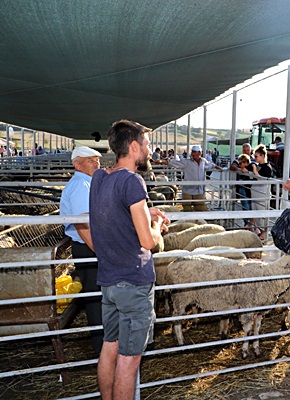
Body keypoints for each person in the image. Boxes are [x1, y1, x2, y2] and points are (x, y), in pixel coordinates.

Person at [89, 119, 169, 400]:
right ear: (134, 147)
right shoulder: (133, 181)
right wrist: (157, 228)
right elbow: (148, 242)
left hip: (109, 282)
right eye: (147, 145)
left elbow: (116, 215)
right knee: (129, 358)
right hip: (133, 283)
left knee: (109, 347)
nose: (149, 151)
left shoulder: (100, 178)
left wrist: (148, 212)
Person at [60, 146, 104, 354]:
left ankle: (104, 343)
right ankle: (101, 346)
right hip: (88, 247)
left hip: (90, 246)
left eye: (97, 160)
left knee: (98, 295)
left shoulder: (87, 183)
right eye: (91, 160)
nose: (97, 164)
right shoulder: (80, 185)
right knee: (95, 298)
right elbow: (82, 223)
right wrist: (99, 250)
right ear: (77, 164)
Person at [168, 145, 217, 212]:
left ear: (200, 153)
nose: (193, 153)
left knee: (201, 209)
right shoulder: (187, 162)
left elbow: (209, 165)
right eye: (192, 152)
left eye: (195, 152)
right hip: (188, 190)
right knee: (187, 209)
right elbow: (175, 163)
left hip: (199, 190)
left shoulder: (203, 161)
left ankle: (199, 221)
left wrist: (216, 166)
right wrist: (163, 161)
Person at [249, 145, 275, 239]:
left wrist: (254, 170)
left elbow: (261, 179)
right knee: (255, 211)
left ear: (262, 155)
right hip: (256, 193)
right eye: (254, 156)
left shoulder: (267, 167)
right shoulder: (258, 166)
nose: (255, 158)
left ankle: (264, 233)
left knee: (263, 213)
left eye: (256, 156)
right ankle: (258, 231)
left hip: (263, 193)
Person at [230, 144, 254, 227]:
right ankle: (246, 224)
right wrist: (239, 169)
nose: (246, 152)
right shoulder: (239, 159)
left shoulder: (254, 159)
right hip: (243, 186)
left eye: (248, 150)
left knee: (252, 206)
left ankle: (252, 225)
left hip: (253, 187)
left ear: (250, 150)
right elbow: (232, 166)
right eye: (244, 150)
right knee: (246, 205)